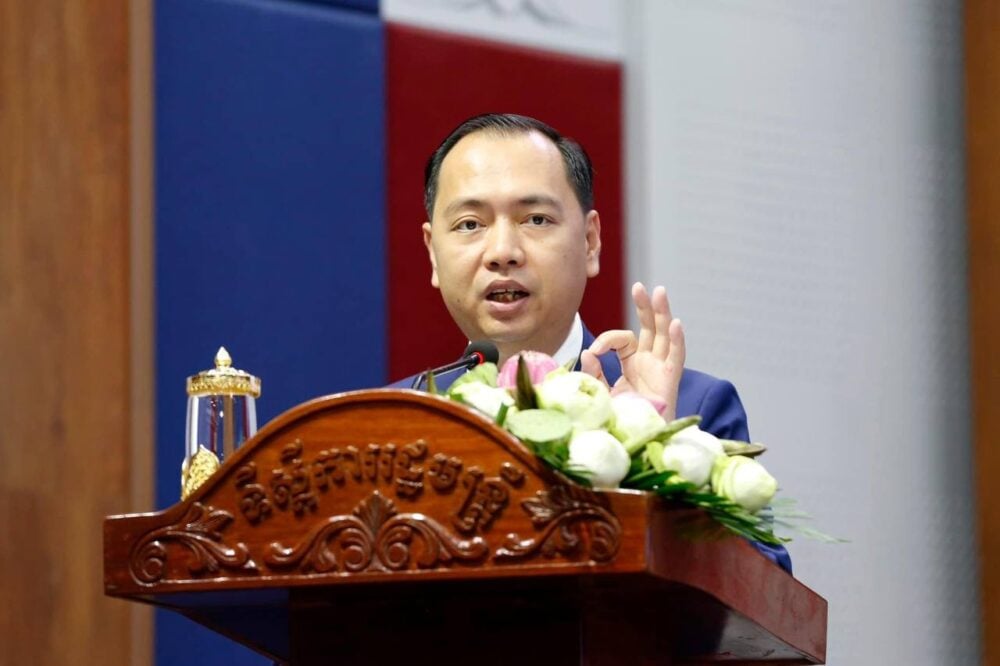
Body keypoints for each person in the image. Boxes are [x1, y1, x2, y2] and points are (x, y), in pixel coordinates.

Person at [391, 113, 790, 571]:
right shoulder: (389, 420)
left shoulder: (694, 408)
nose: (502, 252)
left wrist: (651, 452)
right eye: (469, 224)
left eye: (535, 219)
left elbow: (764, 589)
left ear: (590, 241)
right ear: (432, 253)